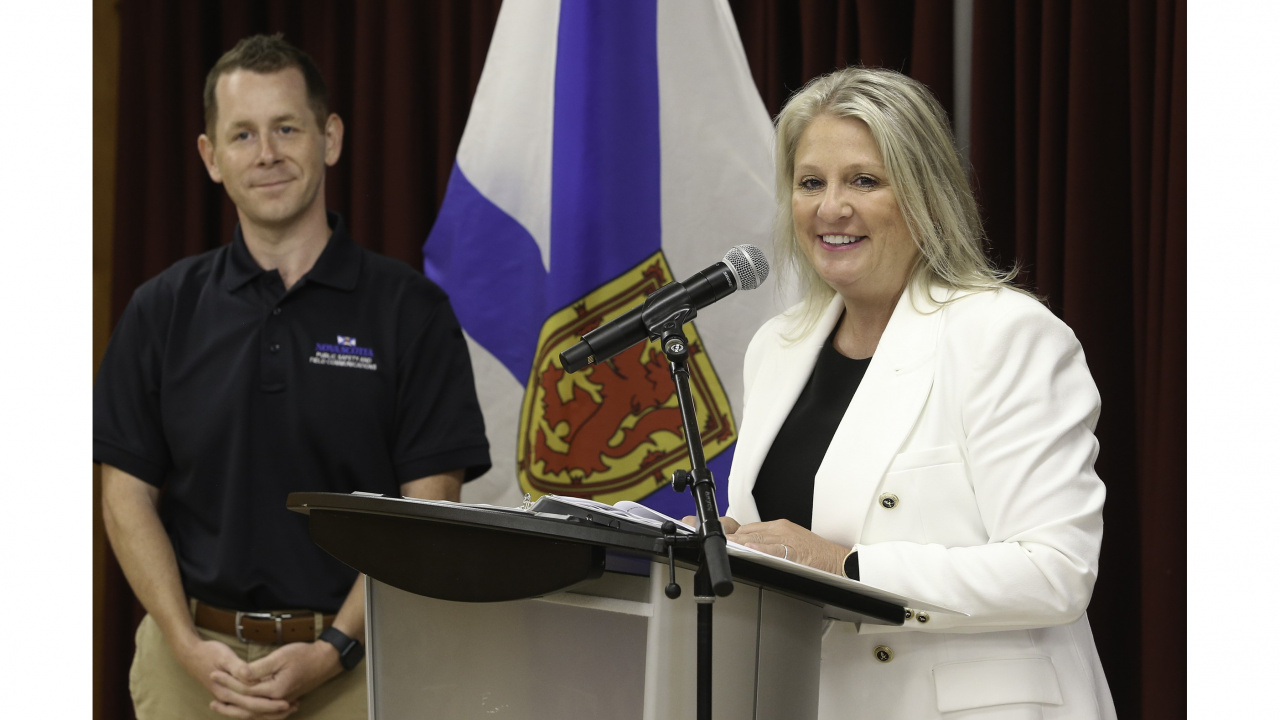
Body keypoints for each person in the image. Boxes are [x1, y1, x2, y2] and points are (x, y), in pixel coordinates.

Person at [94, 35, 491, 720]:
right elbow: (125, 495)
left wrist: (335, 647)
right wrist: (187, 646)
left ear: (330, 138)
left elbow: (428, 507)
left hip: (356, 668)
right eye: (242, 135)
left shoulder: (411, 311)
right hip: (192, 671)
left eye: (286, 128)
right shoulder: (161, 309)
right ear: (211, 158)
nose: (267, 153)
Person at [719, 67, 1117, 719]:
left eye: (864, 181)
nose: (830, 208)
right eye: (810, 182)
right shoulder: (777, 346)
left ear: (925, 194)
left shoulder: (1003, 334)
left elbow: (1055, 572)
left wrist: (844, 564)